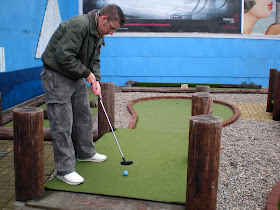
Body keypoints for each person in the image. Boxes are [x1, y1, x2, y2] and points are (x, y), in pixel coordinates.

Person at [40, 5, 125, 185]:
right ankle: (65, 170)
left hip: (75, 74)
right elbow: (63, 56)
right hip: (57, 74)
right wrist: (87, 74)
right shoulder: (79, 26)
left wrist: (96, 81)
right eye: (112, 28)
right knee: (62, 123)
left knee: (84, 116)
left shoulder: (97, 33)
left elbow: (94, 60)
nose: (111, 33)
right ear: (103, 19)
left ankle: (85, 152)